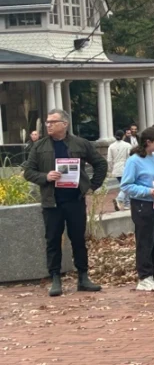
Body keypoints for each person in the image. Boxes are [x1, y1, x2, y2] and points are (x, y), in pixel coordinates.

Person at [22, 108, 106, 297]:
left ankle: (83, 277)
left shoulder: (80, 144)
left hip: (74, 200)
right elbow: (28, 171)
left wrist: (92, 186)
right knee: (52, 240)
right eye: (47, 122)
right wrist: (45, 176)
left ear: (65, 124)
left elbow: (100, 164)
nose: (48, 125)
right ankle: (55, 278)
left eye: (52, 122)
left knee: (78, 239)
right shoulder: (40, 146)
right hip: (52, 203)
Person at [121, 127, 154, 292]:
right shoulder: (134, 161)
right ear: (148, 142)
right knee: (145, 240)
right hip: (143, 204)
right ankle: (144, 276)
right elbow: (127, 185)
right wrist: (147, 191)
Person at [107, 129, 132, 212]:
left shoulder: (111, 146)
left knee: (124, 185)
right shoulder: (127, 145)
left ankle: (127, 204)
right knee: (126, 186)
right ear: (123, 136)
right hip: (125, 167)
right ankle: (120, 199)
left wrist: (111, 168)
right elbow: (130, 157)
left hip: (116, 168)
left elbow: (109, 160)